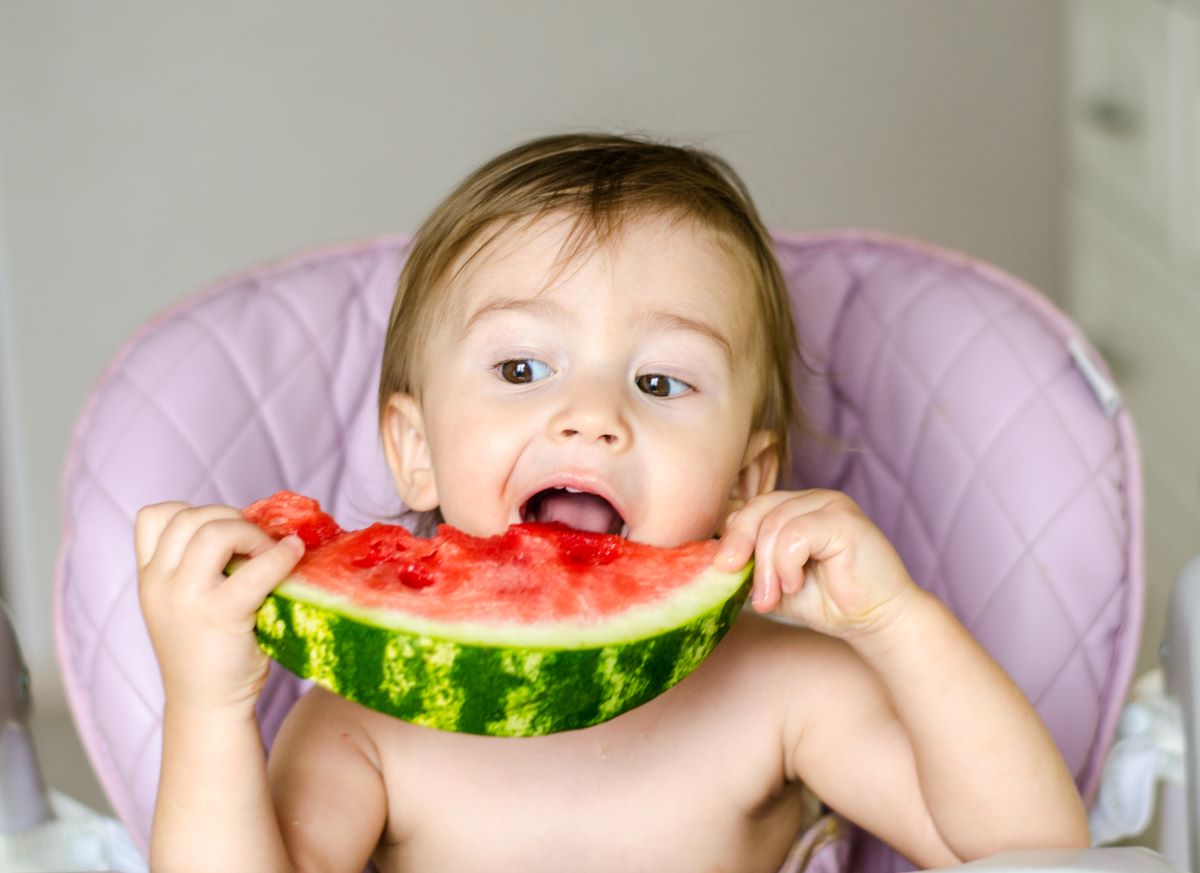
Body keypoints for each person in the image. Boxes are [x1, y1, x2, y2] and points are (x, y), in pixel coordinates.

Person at [135, 133, 1090, 873]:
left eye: (663, 382)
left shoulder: (784, 689)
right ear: (414, 452)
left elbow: (1030, 849)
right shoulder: (367, 717)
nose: (591, 417)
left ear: (750, 481)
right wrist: (207, 703)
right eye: (520, 367)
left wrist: (896, 623)